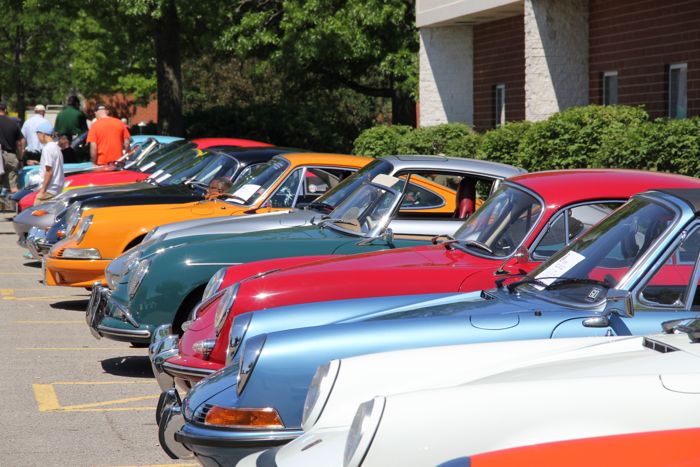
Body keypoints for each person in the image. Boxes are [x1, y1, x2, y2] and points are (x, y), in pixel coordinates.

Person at [33, 121, 64, 206]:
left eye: (38, 135)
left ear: (42, 134)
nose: (38, 138)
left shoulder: (48, 148)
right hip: (56, 189)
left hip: (49, 189)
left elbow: (49, 171)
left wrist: (43, 190)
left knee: (35, 215)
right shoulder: (56, 148)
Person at [0, 102, 25, 193]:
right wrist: (21, 158)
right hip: (11, 156)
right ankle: (12, 206)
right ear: (5, 110)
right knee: (13, 187)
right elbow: (21, 141)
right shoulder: (13, 123)